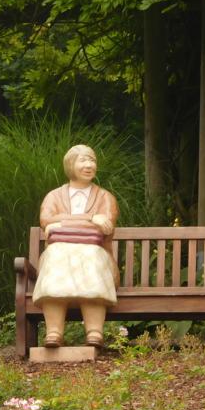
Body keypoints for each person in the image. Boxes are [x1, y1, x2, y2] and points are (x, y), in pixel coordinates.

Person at [32, 145, 119, 348]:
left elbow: (106, 226)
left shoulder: (105, 197)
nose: (89, 165)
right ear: (70, 164)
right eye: (83, 160)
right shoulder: (53, 196)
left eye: (92, 160)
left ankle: (95, 332)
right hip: (59, 254)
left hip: (96, 253)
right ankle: (54, 332)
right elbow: (46, 221)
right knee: (55, 258)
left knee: (92, 260)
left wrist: (61, 223)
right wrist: (91, 218)